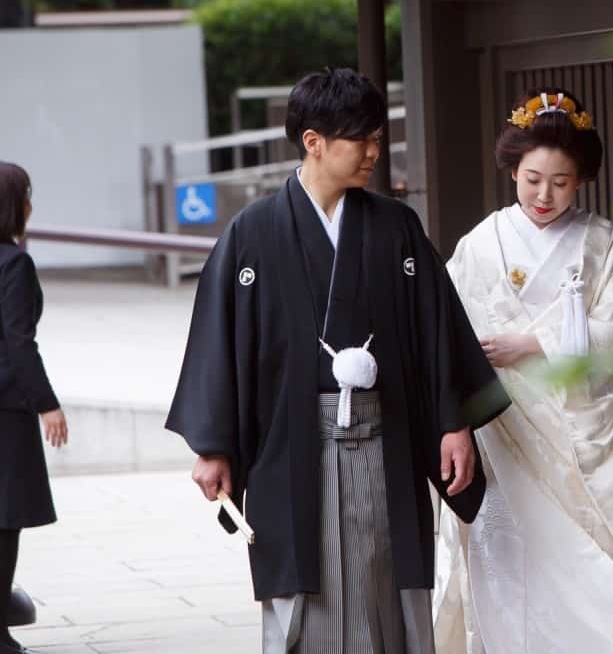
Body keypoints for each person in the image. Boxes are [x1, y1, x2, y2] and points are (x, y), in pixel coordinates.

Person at [166, 68, 509, 654]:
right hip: (290, 442)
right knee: (303, 590)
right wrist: (214, 444)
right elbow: (217, 344)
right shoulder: (252, 234)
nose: (376, 151)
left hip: (387, 438)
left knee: (387, 588)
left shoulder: (396, 228)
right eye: (362, 139)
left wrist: (454, 421)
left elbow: (437, 328)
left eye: (379, 137)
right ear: (313, 141)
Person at [433, 90, 613, 653]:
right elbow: (443, 328)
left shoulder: (599, 241)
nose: (544, 195)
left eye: (560, 181)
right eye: (532, 178)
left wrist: (531, 342)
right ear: (513, 169)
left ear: (580, 180)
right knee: (512, 573)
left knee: (597, 577)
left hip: (582, 433)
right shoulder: (481, 244)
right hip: (505, 435)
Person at [0, 162, 68, 654]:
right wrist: (47, 405)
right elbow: (20, 343)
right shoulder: (13, 264)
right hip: (5, 412)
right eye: (27, 195)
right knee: (4, 522)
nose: (31, 205)